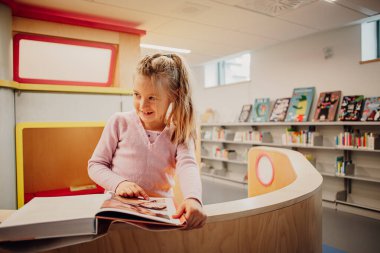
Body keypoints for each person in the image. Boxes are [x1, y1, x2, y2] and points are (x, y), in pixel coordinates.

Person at [88, 53, 207, 229]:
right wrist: (119, 183)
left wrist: (193, 198)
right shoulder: (119, 121)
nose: (142, 105)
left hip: (158, 219)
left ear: (173, 96)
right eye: (137, 95)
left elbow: (188, 165)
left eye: (152, 97)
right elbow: (95, 165)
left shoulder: (179, 130)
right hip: (116, 216)